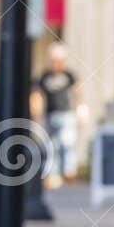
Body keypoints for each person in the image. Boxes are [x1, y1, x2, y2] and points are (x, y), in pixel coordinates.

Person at [34, 43, 82, 186]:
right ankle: (52, 174)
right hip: (49, 114)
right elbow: (37, 93)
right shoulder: (44, 75)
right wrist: (36, 111)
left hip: (67, 114)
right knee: (51, 145)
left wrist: (81, 110)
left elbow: (78, 92)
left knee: (67, 143)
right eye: (54, 60)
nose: (56, 63)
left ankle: (68, 172)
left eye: (59, 60)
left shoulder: (69, 75)